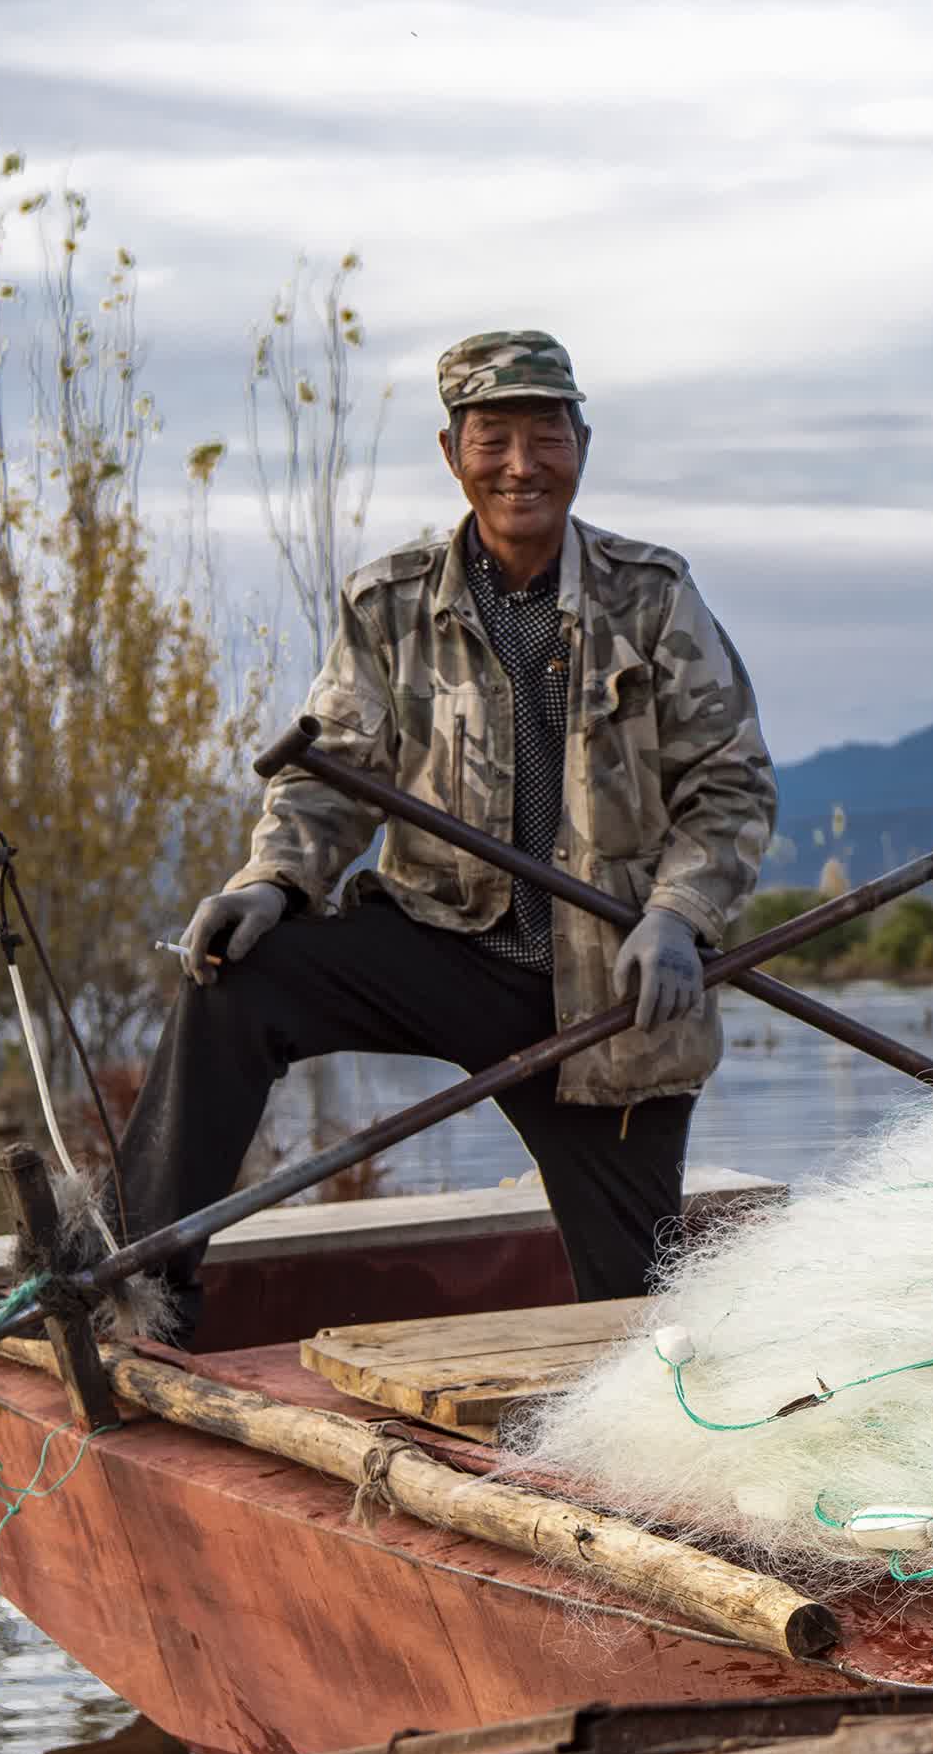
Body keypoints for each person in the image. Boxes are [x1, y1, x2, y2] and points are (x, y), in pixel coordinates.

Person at [115, 330, 778, 1338]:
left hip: (611, 988)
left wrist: (680, 916)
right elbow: (328, 780)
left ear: (582, 444)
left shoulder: (653, 598)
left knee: (636, 1318)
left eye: (544, 434)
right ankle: (139, 1288)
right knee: (238, 978)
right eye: (492, 437)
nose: (520, 464)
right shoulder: (387, 606)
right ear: (450, 452)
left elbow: (730, 785)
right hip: (443, 947)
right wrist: (271, 883)